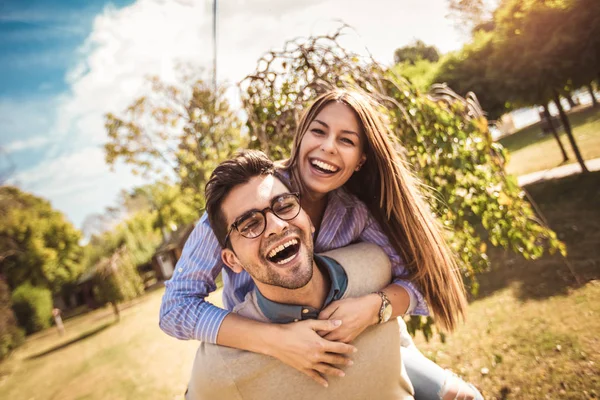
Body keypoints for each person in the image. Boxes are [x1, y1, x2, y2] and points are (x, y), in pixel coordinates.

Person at [160, 89, 482, 399]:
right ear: (300, 138)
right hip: (265, 354)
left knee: (464, 396)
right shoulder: (243, 206)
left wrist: (373, 308)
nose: (328, 147)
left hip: (358, 341)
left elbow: (421, 282)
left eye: (346, 140)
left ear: (360, 160)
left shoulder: (355, 214)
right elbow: (176, 308)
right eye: (319, 131)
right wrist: (277, 340)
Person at [186, 150, 414, 399]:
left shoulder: (376, 266)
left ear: (309, 218)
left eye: (284, 206)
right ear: (233, 261)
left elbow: (420, 285)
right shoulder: (219, 367)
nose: (277, 225)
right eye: (250, 224)